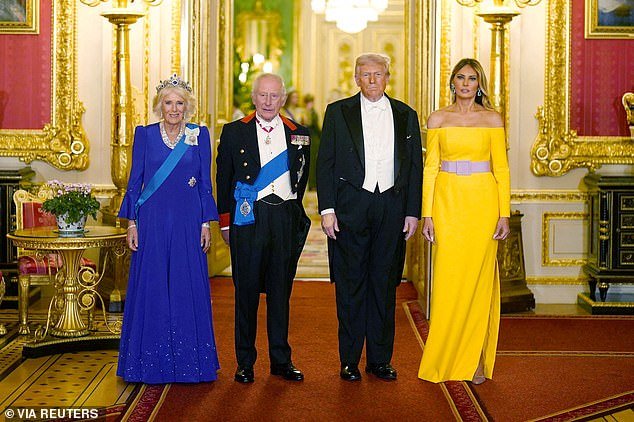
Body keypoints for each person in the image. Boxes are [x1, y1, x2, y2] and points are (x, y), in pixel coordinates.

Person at [317, 53, 422, 382]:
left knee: (384, 285)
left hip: (392, 207)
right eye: (366, 75)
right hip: (351, 207)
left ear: (388, 77)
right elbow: (325, 163)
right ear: (356, 79)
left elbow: (415, 168)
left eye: (378, 74)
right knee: (350, 286)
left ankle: (379, 360)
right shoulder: (338, 112)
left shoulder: (406, 114)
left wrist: (413, 211)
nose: (373, 80)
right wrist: (327, 209)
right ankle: (349, 360)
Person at [117, 74, 220, 384]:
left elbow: (205, 183)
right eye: (168, 103)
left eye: (180, 103)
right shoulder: (145, 135)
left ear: (188, 107)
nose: (174, 109)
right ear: (159, 106)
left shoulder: (199, 135)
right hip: (153, 222)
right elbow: (135, 182)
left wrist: (205, 222)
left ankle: (190, 364)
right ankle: (148, 364)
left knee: (186, 286)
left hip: (188, 221)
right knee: (152, 286)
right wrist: (132, 222)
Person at [418, 58, 510, 385]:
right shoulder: (438, 118)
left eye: (472, 78)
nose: (466, 84)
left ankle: (476, 362)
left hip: (483, 205)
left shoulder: (492, 119)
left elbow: (502, 169)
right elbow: (430, 168)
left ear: (479, 83)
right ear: (453, 82)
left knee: (479, 283)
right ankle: (444, 358)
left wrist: (504, 213)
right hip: (447, 204)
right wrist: (427, 214)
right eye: (461, 78)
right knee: (448, 282)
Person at [216, 73, 311, 384]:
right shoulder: (234, 132)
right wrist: (226, 222)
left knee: (280, 292)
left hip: (283, 217)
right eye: (263, 95)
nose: (268, 102)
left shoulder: (300, 134)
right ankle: (245, 362)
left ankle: (281, 360)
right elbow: (223, 180)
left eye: (274, 96)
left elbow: (302, 178)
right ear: (253, 97)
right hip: (248, 218)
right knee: (246, 293)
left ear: (282, 99)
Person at [302, 93, 322, 190]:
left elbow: (317, 127)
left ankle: (313, 184)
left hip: (313, 139)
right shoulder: (304, 112)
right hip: (309, 139)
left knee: (313, 162)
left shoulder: (313, 112)